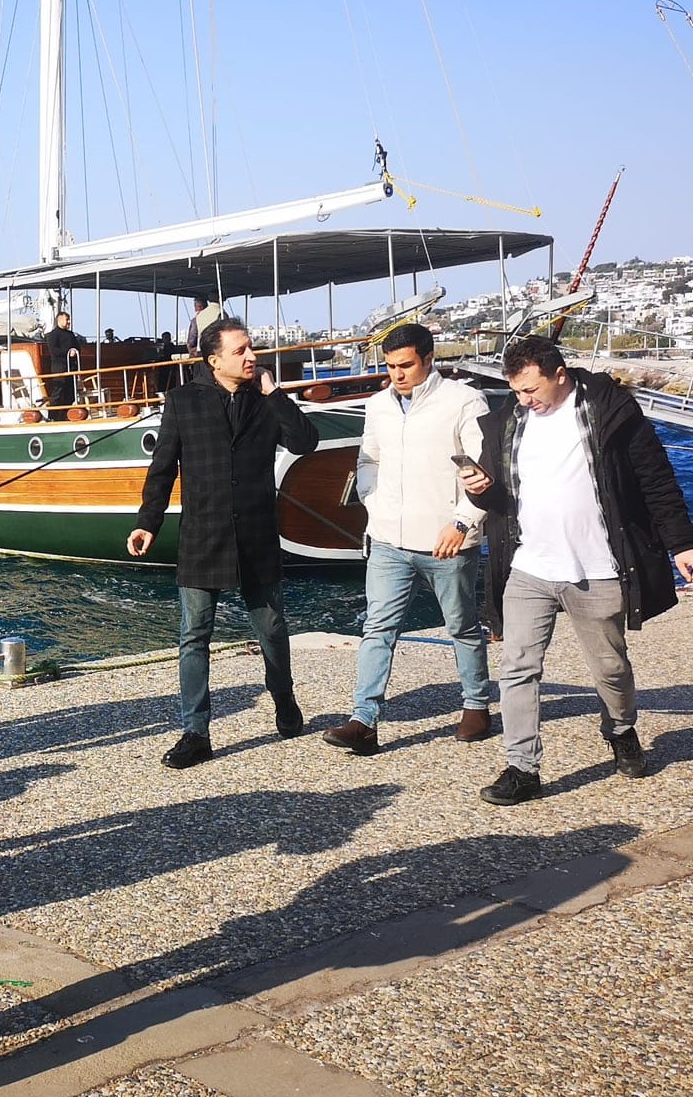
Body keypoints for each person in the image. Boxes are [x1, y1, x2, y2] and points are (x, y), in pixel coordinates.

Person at [464, 335, 693, 805]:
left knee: (610, 669)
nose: (525, 400)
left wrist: (683, 543)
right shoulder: (507, 423)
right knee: (517, 667)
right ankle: (522, 766)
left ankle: (620, 728)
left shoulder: (612, 412)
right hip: (529, 565)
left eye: (532, 390)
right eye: (516, 391)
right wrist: (479, 489)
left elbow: (656, 479)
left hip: (597, 567)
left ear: (560, 375)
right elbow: (500, 501)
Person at [128, 319, 319, 767]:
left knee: (271, 629)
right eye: (241, 351)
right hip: (203, 535)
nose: (251, 356)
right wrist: (147, 523)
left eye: (252, 348)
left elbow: (305, 442)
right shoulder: (182, 402)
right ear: (214, 360)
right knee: (194, 635)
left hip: (255, 535)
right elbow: (162, 469)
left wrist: (275, 394)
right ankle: (196, 731)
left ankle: (284, 700)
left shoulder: (266, 401)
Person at [322, 323, 495, 756]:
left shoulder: (463, 401)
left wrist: (462, 523)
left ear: (429, 360)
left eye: (405, 365)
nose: (397, 374)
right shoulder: (379, 404)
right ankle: (364, 720)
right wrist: (372, 501)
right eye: (391, 366)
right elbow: (368, 458)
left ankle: (476, 704)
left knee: (462, 626)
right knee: (377, 628)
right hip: (387, 539)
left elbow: (483, 469)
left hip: (448, 540)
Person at [41, 309, 82, 418]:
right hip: (60, 368)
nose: (69, 322)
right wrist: (68, 352)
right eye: (67, 320)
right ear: (59, 320)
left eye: (69, 320)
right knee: (58, 393)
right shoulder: (52, 335)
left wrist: (74, 351)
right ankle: (52, 416)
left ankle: (64, 415)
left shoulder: (70, 334)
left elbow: (78, 347)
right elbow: (54, 351)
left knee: (71, 393)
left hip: (71, 368)